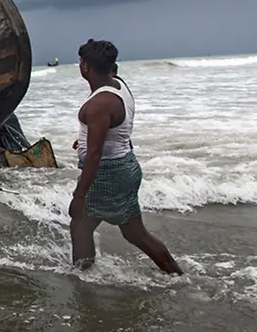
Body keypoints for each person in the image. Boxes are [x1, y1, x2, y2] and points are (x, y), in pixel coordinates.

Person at [69, 39, 182, 275]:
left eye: (81, 62)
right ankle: (176, 274)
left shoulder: (100, 103)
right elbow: (116, 128)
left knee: (80, 223)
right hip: (125, 165)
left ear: (86, 67)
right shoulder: (119, 86)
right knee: (134, 232)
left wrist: (79, 195)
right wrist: (87, 138)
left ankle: (82, 278)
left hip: (107, 174)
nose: (80, 65)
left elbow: (96, 153)